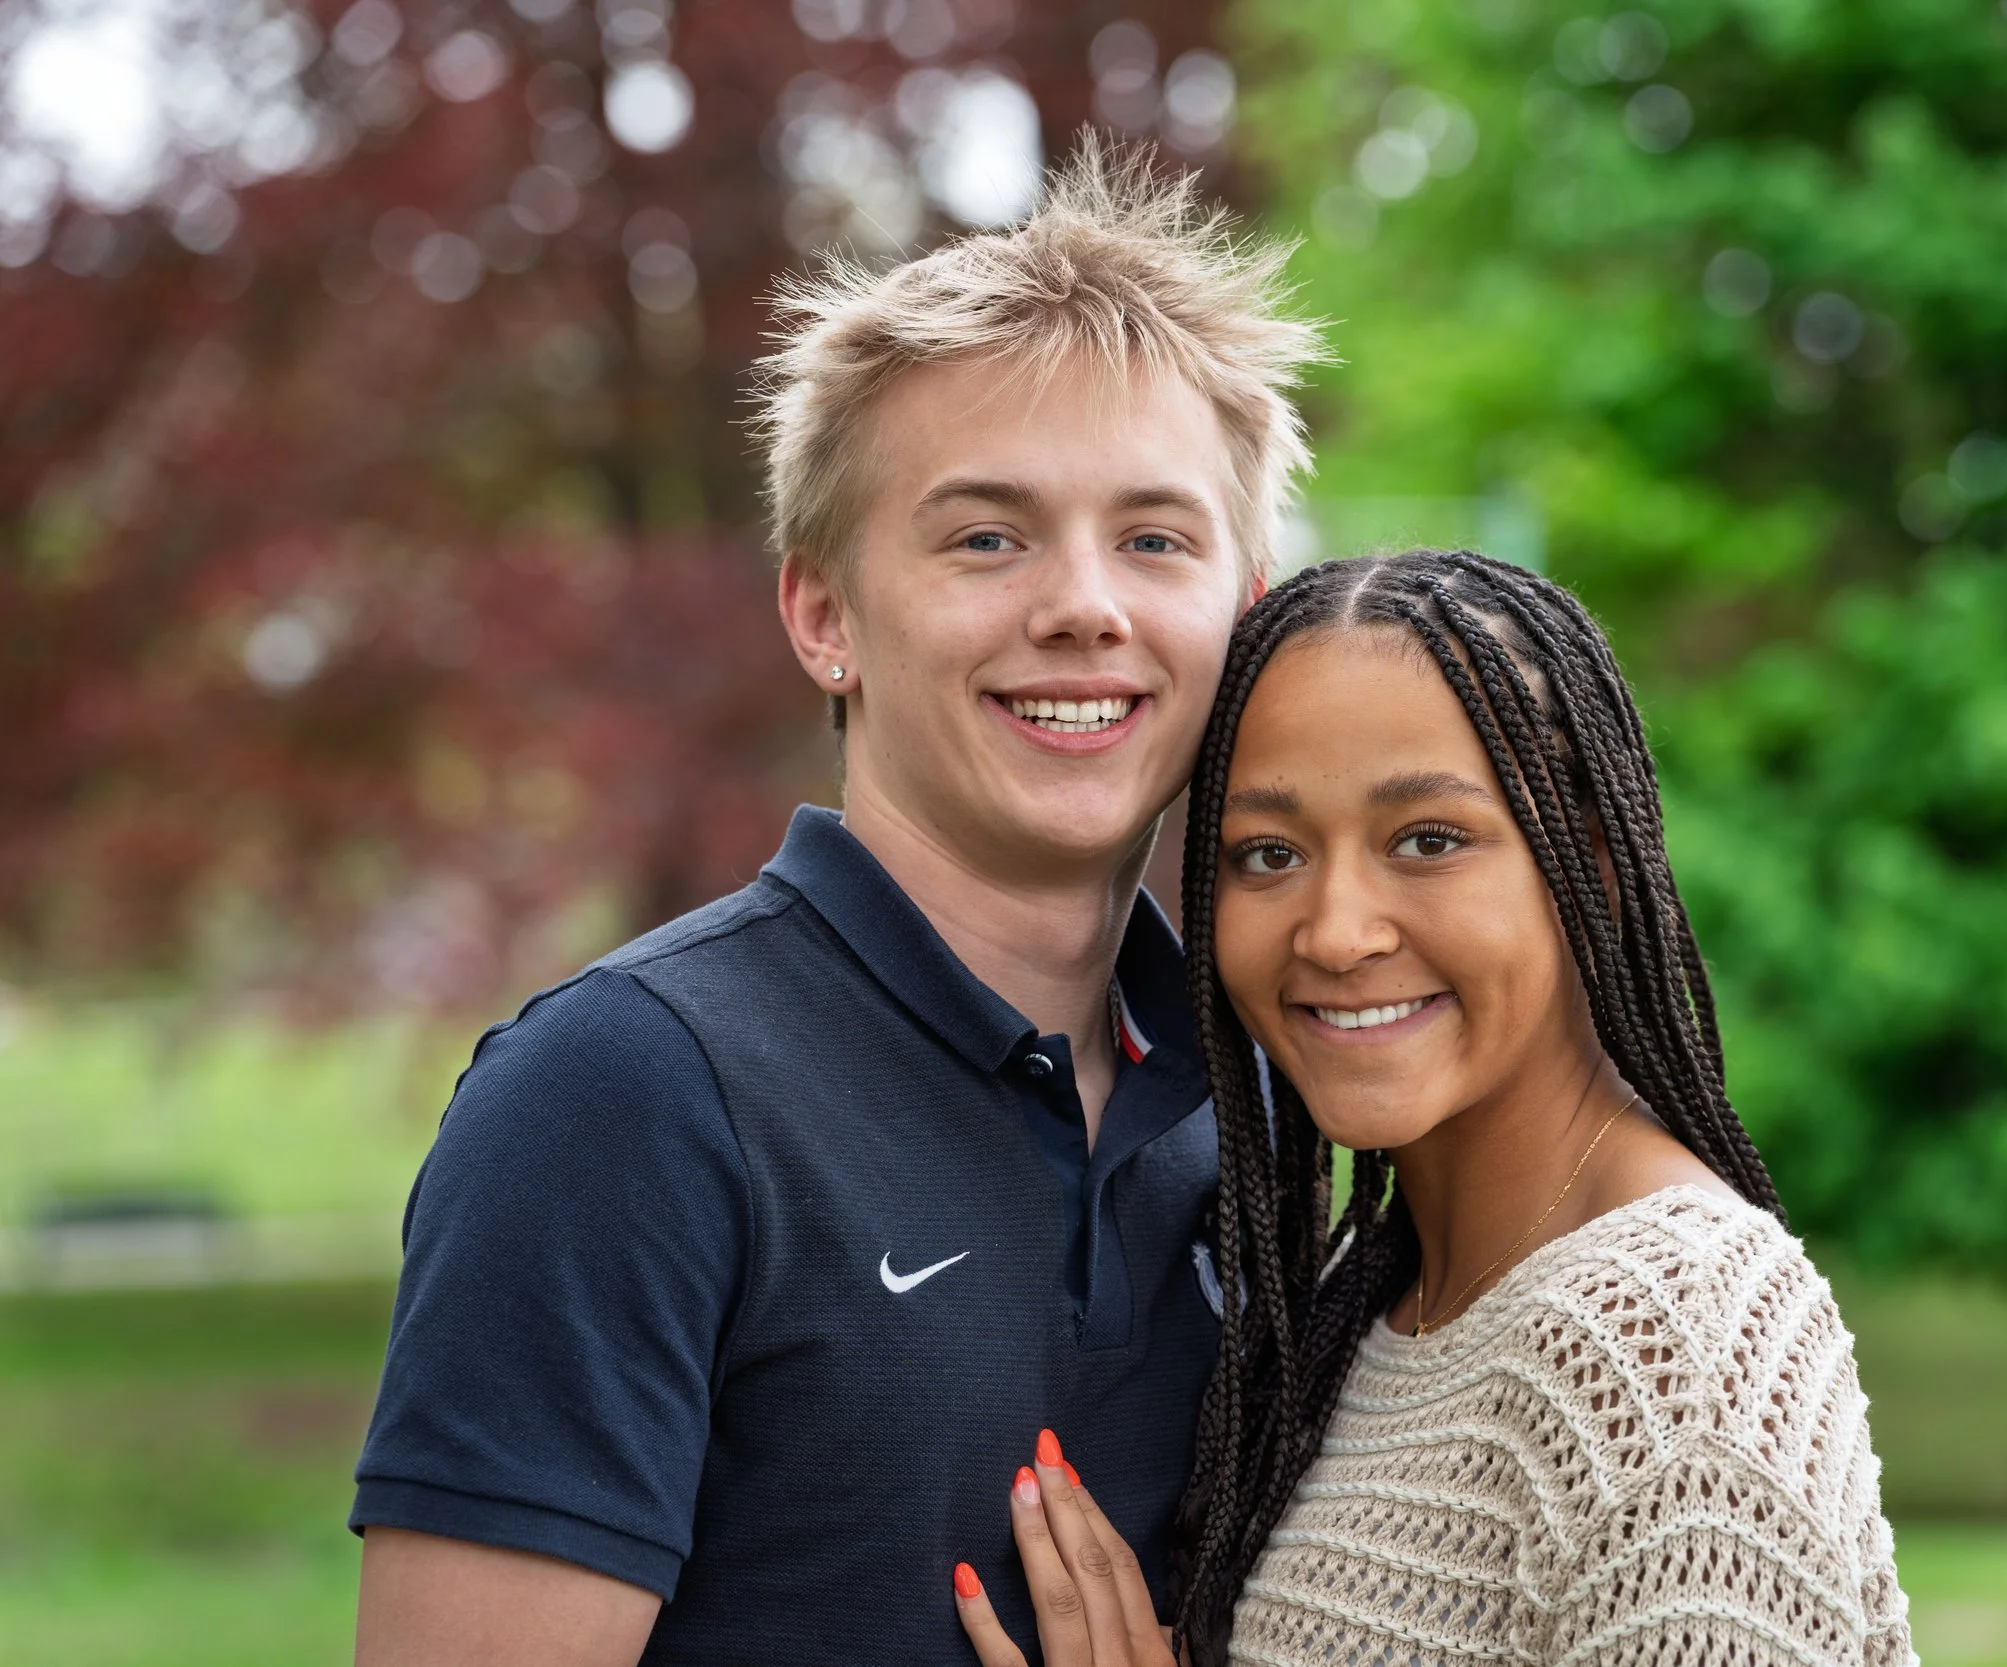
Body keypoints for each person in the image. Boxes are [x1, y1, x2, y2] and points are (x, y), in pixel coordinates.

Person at [348, 140, 1328, 1666]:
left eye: (1155, 537)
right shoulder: (623, 1097)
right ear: (825, 615)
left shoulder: (1272, 1096)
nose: (1084, 602)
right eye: (986, 535)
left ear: (1246, 610)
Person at [952, 551, 1916, 1666]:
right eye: (1268, 853)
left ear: (1589, 868)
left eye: (1428, 839)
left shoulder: (1671, 1341)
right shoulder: (1372, 1314)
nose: (1335, 930)